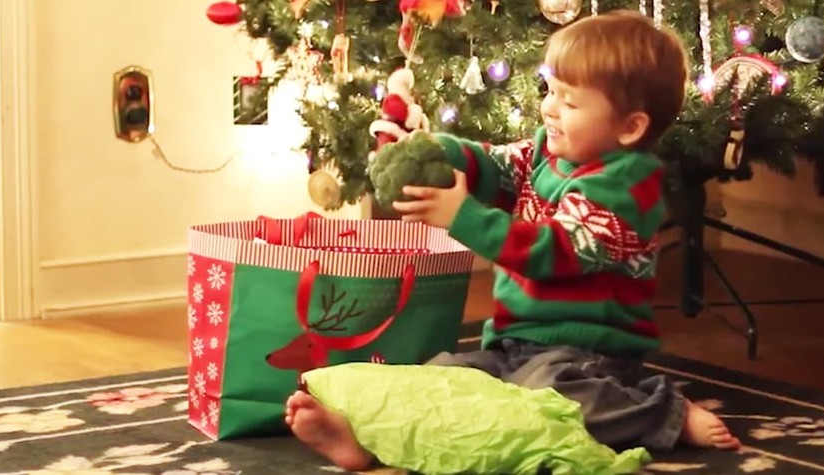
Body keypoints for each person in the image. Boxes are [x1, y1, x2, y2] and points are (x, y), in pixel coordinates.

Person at [285, 10, 741, 471]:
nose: (549, 107)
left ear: (629, 127)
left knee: (558, 401)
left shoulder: (627, 187)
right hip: (510, 344)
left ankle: (663, 413)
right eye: (550, 90)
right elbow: (491, 163)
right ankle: (367, 443)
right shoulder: (544, 150)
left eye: (570, 101)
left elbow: (552, 250)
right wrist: (434, 151)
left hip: (588, 356)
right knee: (441, 380)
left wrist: (461, 217)